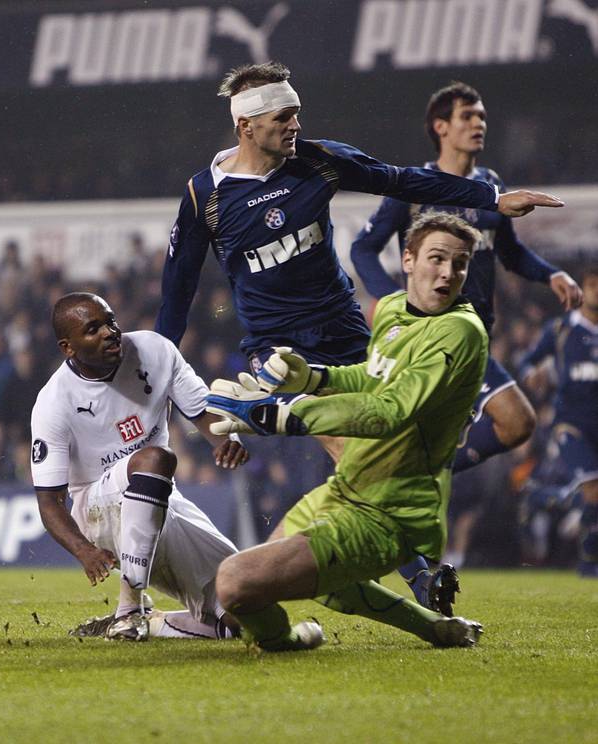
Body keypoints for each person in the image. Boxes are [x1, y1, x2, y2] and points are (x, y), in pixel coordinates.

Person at [155, 62, 565, 606]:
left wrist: (490, 199)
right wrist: (160, 378)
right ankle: (423, 577)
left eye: (297, 113)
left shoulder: (317, 162)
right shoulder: (205, 196)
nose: (296, 125)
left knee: (391, 447)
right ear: (246, 127)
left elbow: (401, 180)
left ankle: (373, 561)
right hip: (279, 351)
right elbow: (176, 295)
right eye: (284, 117)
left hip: (346, 329)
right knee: (354, 453)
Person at [205, 212, 489, 651]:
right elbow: (373, 378)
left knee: (235, 581)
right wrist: (313, 378)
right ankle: (429, 627)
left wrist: (288, 416)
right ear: (409, 260)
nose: (448, 273)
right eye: (437, 259)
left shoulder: (460, 331)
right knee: (260, 582)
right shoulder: (392, 309)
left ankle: (285, 639)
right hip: (345, 487)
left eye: (461, 264)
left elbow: (390, 411)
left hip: (392, 512)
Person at [351, 81, 582, 476]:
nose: (480, 123)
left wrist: (551, 274)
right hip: (429, 336)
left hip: (474, 335)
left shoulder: (491, 185)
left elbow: (508, 252)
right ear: (440, 127)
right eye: (468, 116)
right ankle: (403, 473)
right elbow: (363, 249)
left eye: (482, 117)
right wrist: (392, 300)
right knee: (515, 420)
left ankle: (413, 472)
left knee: (495, 428)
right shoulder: (414, 185)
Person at [31, 292, 248, 641]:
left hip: (161, 497)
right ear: (68, 347)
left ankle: (156, 622)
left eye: (111, 321)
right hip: (98, 512)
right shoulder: (53, 402)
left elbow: (203, 414)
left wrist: (227, 441)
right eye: (93, 329)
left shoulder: (155, 351)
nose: (109, 332)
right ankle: (129, 608)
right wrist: (83, 551)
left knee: (248, 598)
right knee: (155, 458)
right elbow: (49, 502)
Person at [520, 266, 598, 577]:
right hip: (572, 425)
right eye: (593, 284)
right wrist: (532, 374)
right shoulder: (561, 330)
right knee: (593, 490)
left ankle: (543, 498)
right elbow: (529, 360)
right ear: (582, 288)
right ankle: (589, 563)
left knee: (591, 495)